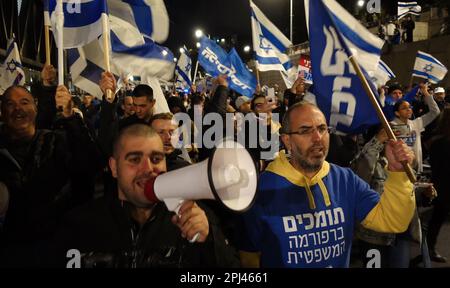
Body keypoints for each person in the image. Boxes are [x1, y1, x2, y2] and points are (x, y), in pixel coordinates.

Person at [238, 102, 416, 268]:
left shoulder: (345, 179)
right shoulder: (261, 189)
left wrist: (398, 173)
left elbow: (392, 221)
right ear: (287, 140)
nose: (317, 138)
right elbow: (249, 255)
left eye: (322, 129)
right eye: (305, 130)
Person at [46, 124, 239, 267]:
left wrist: (210, 242)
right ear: (114, 167)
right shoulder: (78, 225)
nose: (148, 169)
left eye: (156, 159)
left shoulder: (196, 218)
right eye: (135, 159)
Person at [0, 85, 99, 267]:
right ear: (2, 112)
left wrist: (71, 119)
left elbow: (88, 165)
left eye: (24, 102)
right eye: (10, 104)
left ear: (35, 107)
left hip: (55, 245)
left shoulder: (55, 141)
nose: (18, 109)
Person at [390, 83, 440, 174]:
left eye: (409, 107)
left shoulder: (416, 123)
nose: (409, 109)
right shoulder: (391, 126)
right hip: (397, 168)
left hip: (414, 168)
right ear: (397, 113)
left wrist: (425, 92)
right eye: (404, 108)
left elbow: (435, 112)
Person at [427, 107, 450, 263]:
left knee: (436, 219)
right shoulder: (442, 142)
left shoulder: (436, 140)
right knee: (437, 220)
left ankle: (429, 249)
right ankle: (429, 250)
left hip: (439, 185)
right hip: (445, 186)